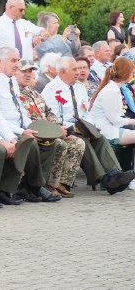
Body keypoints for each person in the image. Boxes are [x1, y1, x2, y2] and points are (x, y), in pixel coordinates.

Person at [41, 56, 132, 193]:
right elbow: (52, 117)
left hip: (83, 126)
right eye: (74, 69)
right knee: (82, 140)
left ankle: (115, 173)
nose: (78, 72)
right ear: (63, 71)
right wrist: (74, 127)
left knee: (99, 137)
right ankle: (106, 180)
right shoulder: (51, 90)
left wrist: (90, 125)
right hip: (65, 128)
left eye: (78, 69)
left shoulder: (80, 87)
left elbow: (86, 111)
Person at [0, 48, 59, 202]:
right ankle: (35, 186)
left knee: (50, 142)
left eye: (18, 60)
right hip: (4, 129)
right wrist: (22, 131)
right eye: (13, 60)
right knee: (31, 143)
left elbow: (20, 110)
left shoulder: (12, 81)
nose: (17, 64)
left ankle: (26, 186)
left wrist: (31, 126)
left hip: (20, 127)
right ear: (1, 62)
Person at [16, 60, 85, 198]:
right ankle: (44, 185)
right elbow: (25, 122)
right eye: (24, 71)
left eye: (30, 71)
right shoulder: (15, 93)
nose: (28, 74)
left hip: (48, 131)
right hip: (34, 132)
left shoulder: (33, 92)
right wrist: (54, 133)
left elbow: (49, 112)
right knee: (59, 143)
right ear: (15, 72)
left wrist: (58, 128)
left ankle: (61, 183)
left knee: (77, 142)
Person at [89, 57, 135, 146]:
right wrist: (133, 121)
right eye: (132, 73)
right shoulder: (111, 91)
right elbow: (116, 120)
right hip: (107, 132)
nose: (133, 76)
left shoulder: (113, 88)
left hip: (111, 128)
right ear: (126, 72)